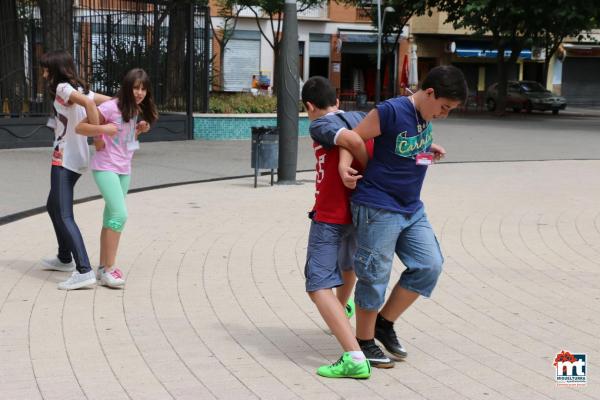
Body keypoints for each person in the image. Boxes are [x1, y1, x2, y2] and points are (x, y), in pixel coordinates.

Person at [339, 65, 468, 368]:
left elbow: (404, 153)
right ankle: (364, 340)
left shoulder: (425, 118)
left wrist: (426, 150)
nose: (444, 114)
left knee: (429, 265)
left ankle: (384, 323)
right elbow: (350, 138)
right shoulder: (391, 111)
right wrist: (345, 167)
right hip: (378, 206)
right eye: (444, 107)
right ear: (430, 93)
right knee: (374, 274)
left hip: (411, 207)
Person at [301, 76, 374, 379]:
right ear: (336, 100)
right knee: (348, 265)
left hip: (331, 216)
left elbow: (351, 142)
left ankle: (354, 356)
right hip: (356, 212)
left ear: (309, 106)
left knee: (317, 284)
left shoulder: (318, 125)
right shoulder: (359, 116)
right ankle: (341, 310)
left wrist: (360, 166)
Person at [76, 68, 158, 288]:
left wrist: (139, 130)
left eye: (143, 88)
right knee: (120, 215)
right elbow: (81, 127)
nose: (140, 92)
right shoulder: (111, 106)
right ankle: (110, 269)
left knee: (110, 218)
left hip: (124, 169)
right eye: (136, 87)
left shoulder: (134, 110)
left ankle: (103, 269)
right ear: (127, 87)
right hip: (105, 168)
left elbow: (123, 138)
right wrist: (102, 130)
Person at [39, 49, 113, 290]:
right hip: (77, 158)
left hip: (65, 159)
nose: (43, 73)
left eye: (46, 69)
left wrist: (98, 134)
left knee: (63, 214)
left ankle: (83, 270)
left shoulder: (63, 88)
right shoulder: (78, 88)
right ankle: (63, 258)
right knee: (53, 206)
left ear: (56, 69)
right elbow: (104, 100)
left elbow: (90, 103)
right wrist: (123, 103)